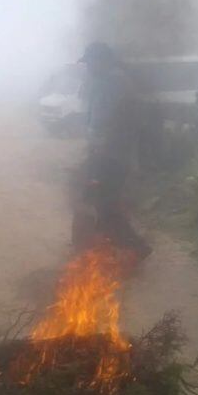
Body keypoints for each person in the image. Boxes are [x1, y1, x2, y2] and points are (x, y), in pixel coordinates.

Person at [73, 42, 152, 260]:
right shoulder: (104, 81)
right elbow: (95, 119)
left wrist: (98, 149)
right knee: (93, 198)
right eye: (87, 62)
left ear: (103, 61)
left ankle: (136, 246)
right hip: (105, 152)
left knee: (105, 203)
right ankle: (97, 245)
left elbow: (105, 121)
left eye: (90, 62)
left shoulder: (114, 82)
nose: (88, 66)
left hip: (112, 155)